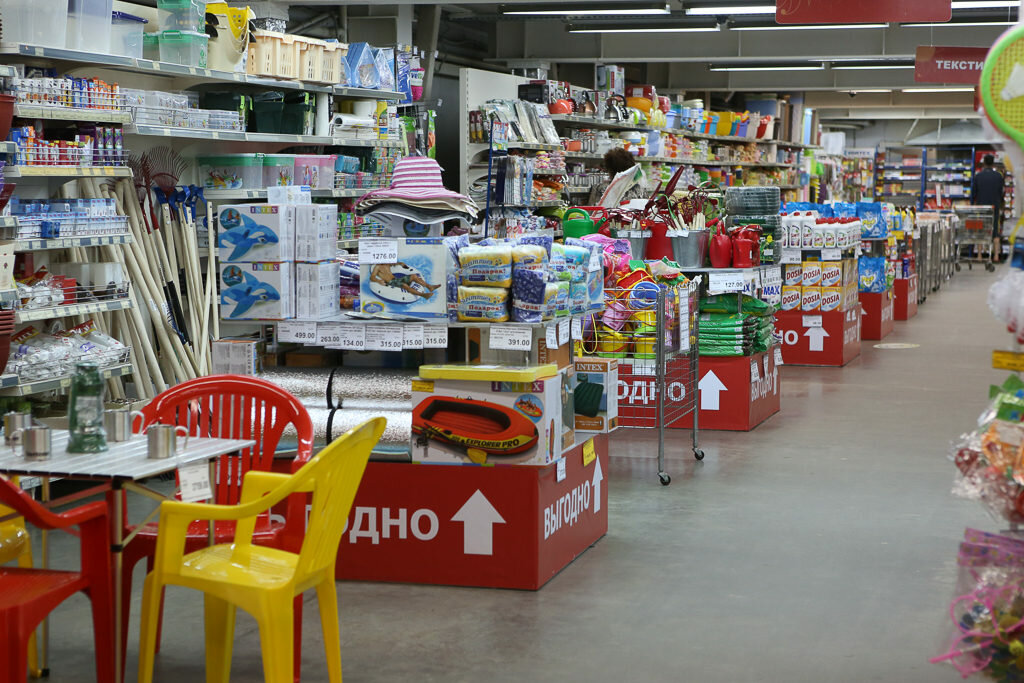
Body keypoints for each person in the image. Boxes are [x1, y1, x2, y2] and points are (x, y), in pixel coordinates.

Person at [972, 154, 1006, 260]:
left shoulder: (978, 176)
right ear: (993, 163)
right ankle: (996, 256)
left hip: (981, 207)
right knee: (995, 230)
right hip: (994, 206)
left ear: (984, 163)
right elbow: (1001, 192)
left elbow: (974, 193)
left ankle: (979, 255)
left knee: (980, 230)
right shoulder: (998, 176)